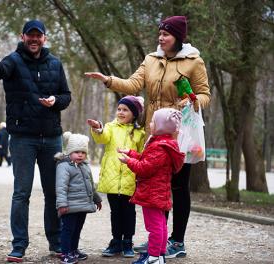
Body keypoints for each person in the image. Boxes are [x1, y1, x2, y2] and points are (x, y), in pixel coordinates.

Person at [85, 16, 210, 258]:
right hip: (154, 131)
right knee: (157, 185)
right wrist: (108, 80)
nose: (160, 38)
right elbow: (133, 84)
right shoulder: (151, 60)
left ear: (178, 37)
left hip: (179, 131)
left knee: (179, 186)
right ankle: (159, 238)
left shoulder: (194, 61)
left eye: (166, 34)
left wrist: (193, 101)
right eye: (160, 34)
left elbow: (205, 94)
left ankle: (177, 241)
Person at [0, 19, 71, 262]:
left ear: (45, 39)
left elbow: (66, 95)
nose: (34, 39)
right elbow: (1, 71)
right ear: (23, 37)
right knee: (21, 193)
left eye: (39, 36)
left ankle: (57, 242)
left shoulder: (55, 63)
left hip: (51, 138)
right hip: (22, 138)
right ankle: (19, 245)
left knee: (53, 193)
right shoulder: (14, 60)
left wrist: (55, 101)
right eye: (30, 35)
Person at [118, 108, 185, 264]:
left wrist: (128, 162)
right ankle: (159, 256)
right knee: (161, 224)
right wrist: (130, 152)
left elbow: (144, 168)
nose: (150, 123)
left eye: (153, 121)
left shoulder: (159, 147)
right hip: (159, 192)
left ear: (161, 126)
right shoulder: (163, 143)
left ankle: (154, 257)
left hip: (152, 193)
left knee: (154, 227)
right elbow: (147, 159)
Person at [86, 95, 145, 258]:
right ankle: (116, 241)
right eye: (119, 109)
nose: (120, 112)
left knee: (129, 211)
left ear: (134, 113)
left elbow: (141, 155)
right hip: (111, 178)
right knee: (115, 212)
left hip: (130, 178)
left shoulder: (140, 132)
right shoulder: (111, 127)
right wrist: (98, 128)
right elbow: (102, 137)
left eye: (125, 110)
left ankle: (128, 242)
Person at [55, 131, 102, 264]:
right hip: (69, 206)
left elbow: (90, 185)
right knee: (68, 229)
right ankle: (65, 253)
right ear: (69, 152)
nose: (80, 154)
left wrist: (96, 198)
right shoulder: (64, 166)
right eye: (77, 152)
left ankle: (74, 250)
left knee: (77, 229)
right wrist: (62, 204)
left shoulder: (85, 166)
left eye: (83, 152)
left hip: (82, 204)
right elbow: (61, 187)